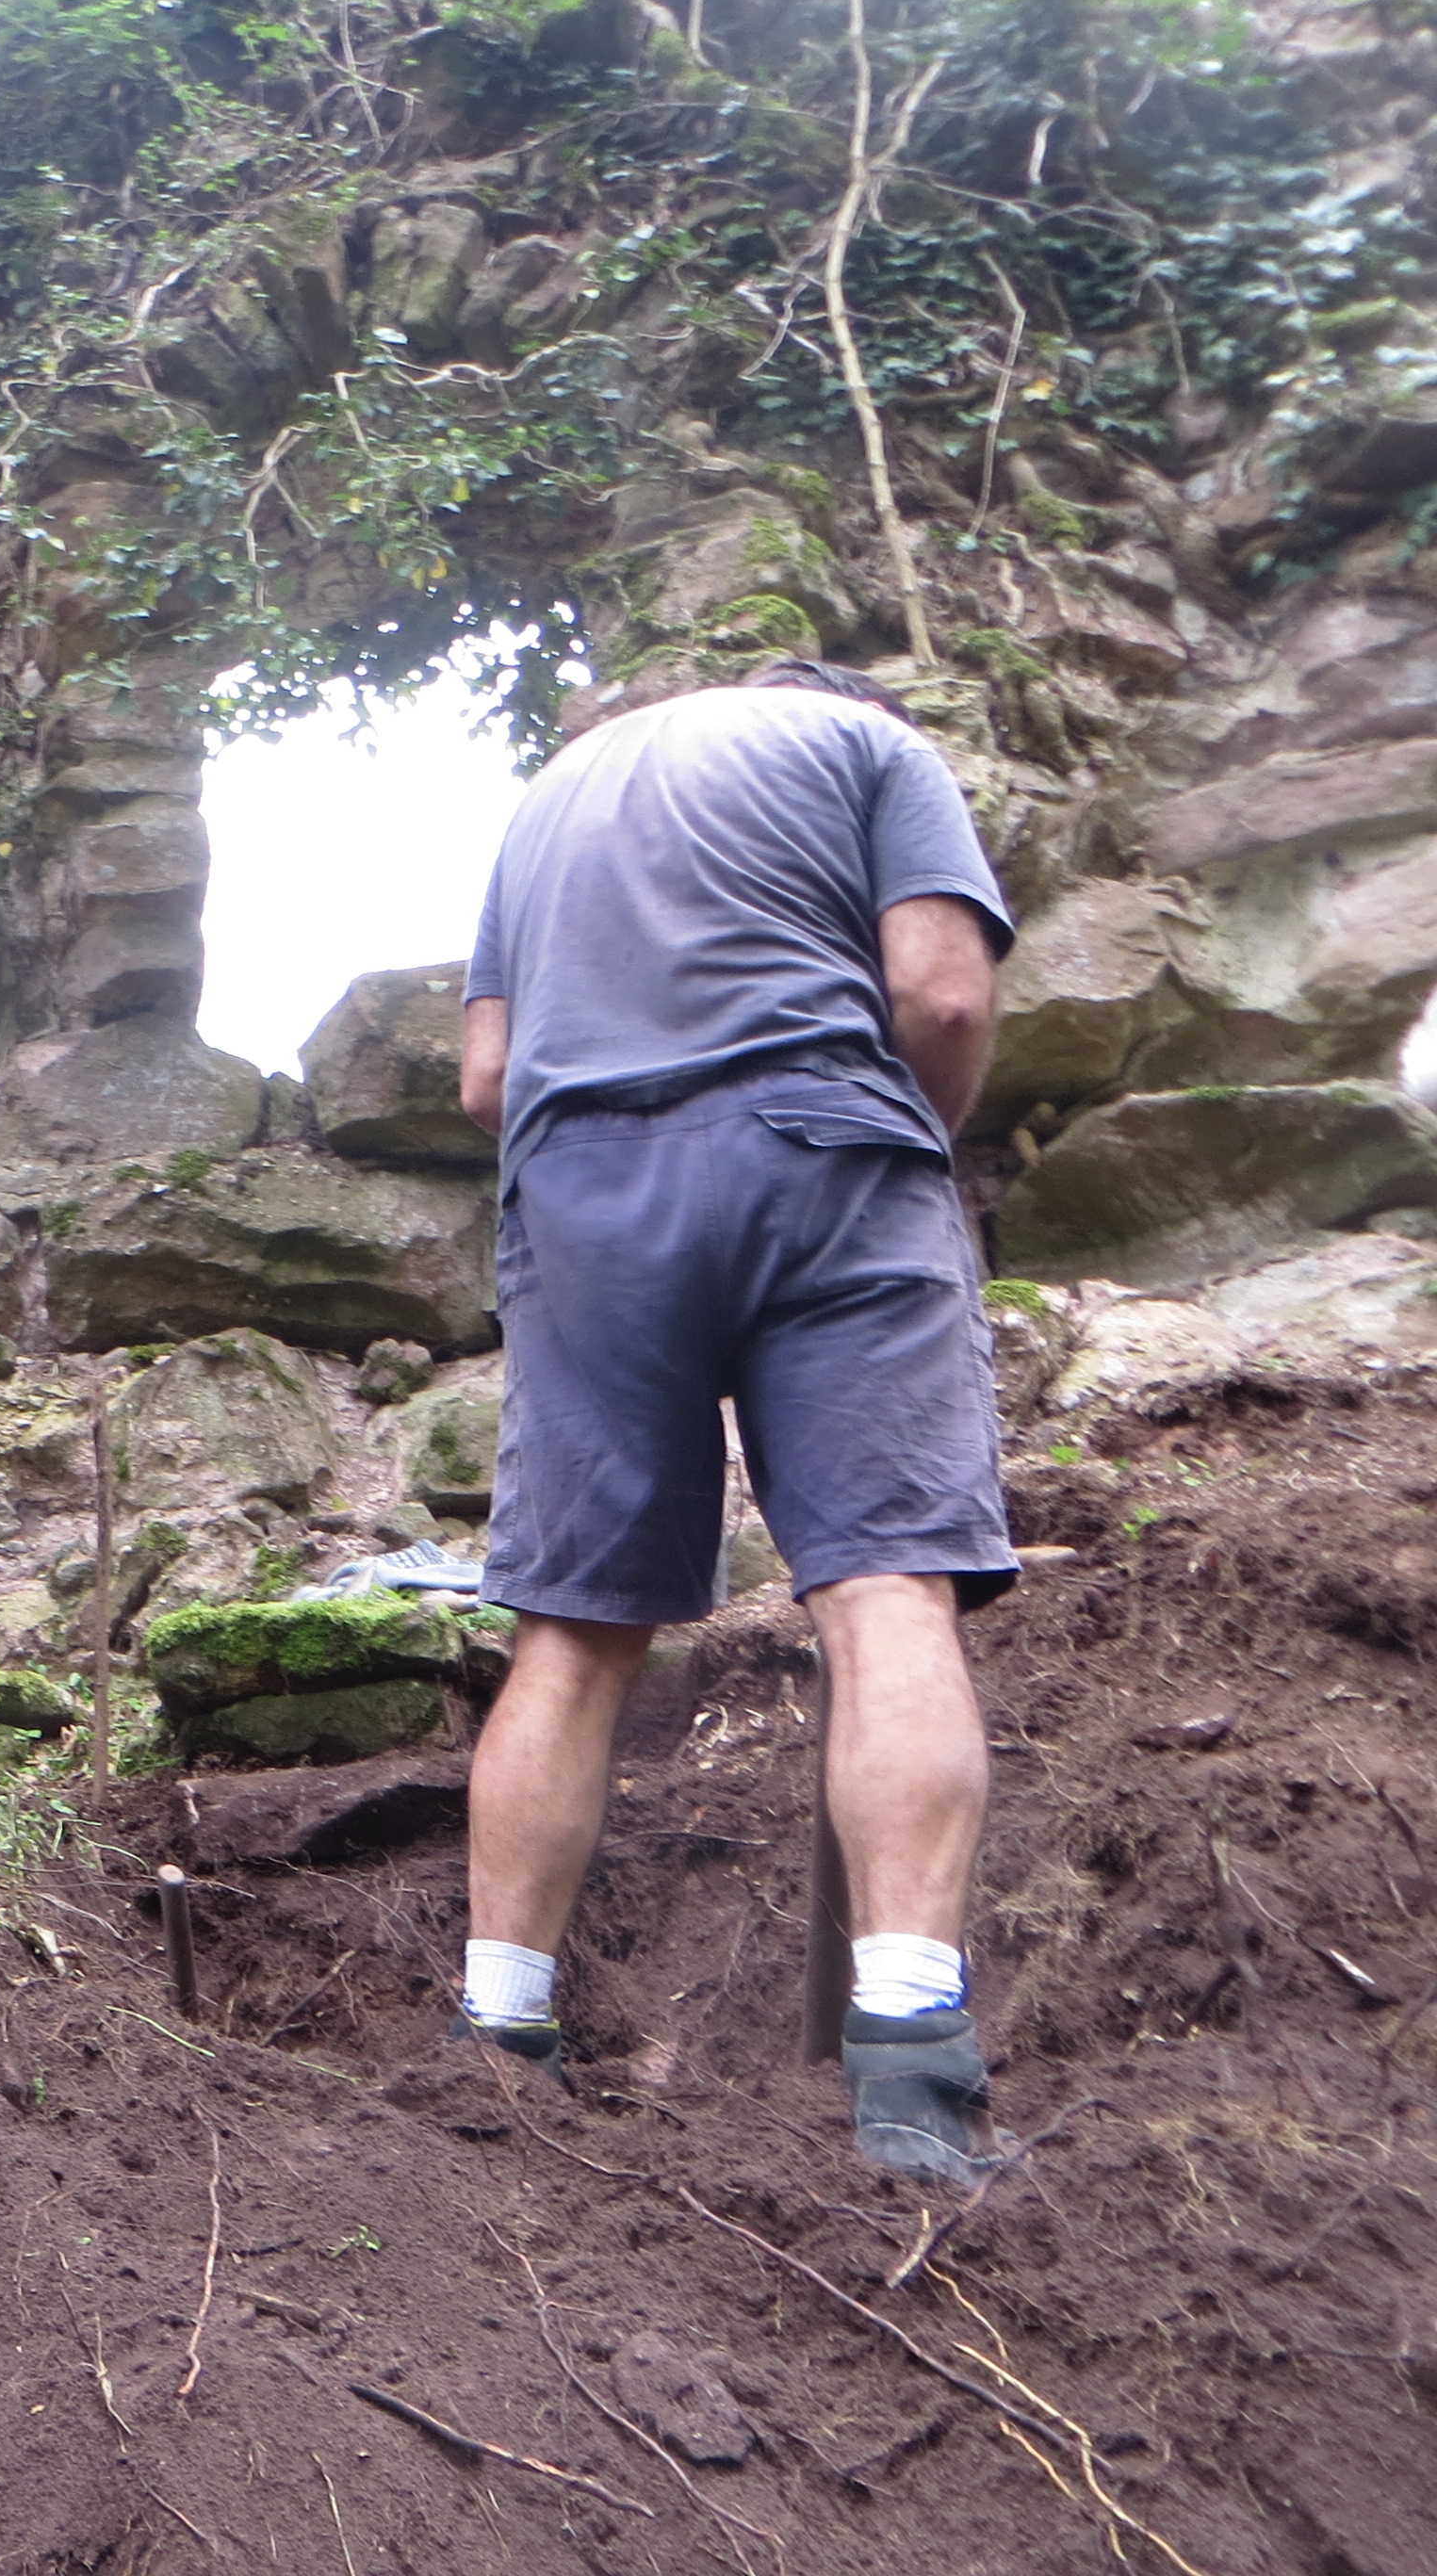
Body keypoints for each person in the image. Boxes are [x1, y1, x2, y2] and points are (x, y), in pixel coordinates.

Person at [453, 651, 1016, 2186]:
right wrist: (903, 1147)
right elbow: (942, 991)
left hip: (582, 1189)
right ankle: (913, 2072)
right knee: (886, 1593)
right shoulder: (869, 745)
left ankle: (497, 2038)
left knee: (574, 1629)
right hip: (826, 1149)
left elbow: (488, 1077)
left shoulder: (546, 798)